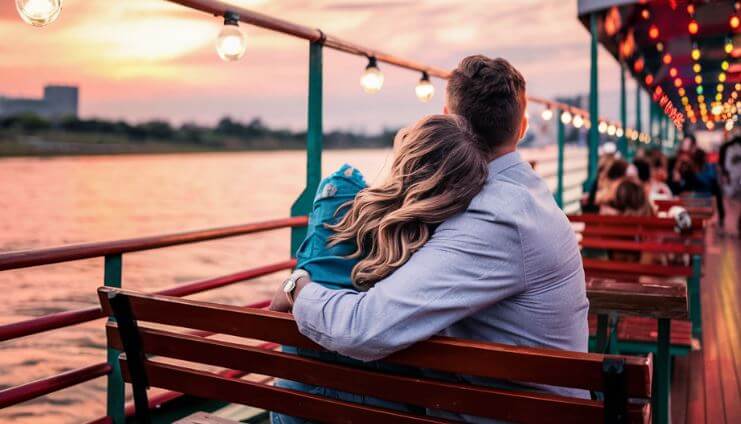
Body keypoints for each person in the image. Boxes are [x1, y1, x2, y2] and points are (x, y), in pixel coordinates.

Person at [270, 55, 589, 422]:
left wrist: (299, 288)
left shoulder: (494, 215)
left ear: (449, 118)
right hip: (514, 404)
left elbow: (366, 328)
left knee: (311, 377)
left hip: (506, 414)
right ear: (522, 127)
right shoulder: (525, 198)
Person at [271, 114, 489, 424]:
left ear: (405, 157)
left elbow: (278, 307)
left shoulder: (338, 202)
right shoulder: (441, 251)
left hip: (297, 408)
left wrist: (296, 282)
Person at [719, 135, 741, 236]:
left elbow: (724, 166)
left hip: (732, 178)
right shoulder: (729, 148)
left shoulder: (728, 148)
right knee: (733, 204)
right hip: (733, 178)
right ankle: (735, 228)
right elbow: (725, 165)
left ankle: (735, 228)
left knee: (733, 204)